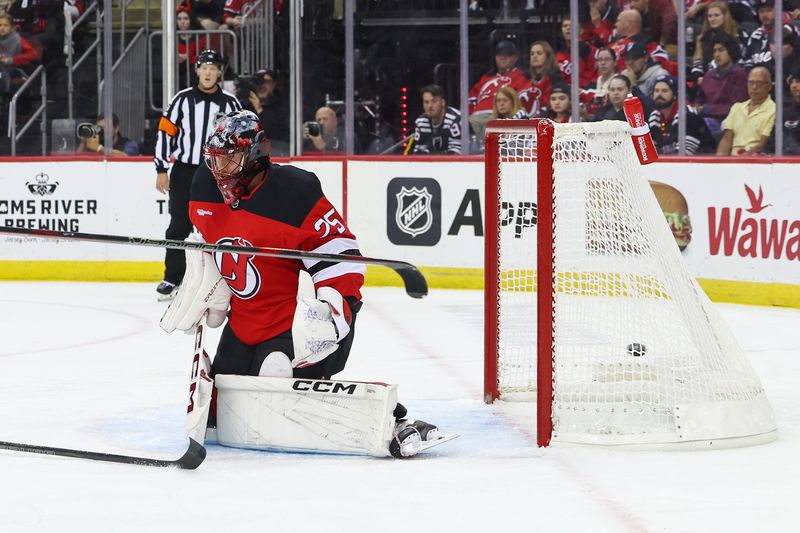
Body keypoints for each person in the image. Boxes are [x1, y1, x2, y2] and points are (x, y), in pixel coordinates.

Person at [175, 109, 441, 457]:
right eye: (215, 160)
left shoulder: (294, 193)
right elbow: (207, 245)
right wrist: (208, 287)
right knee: (225, 403)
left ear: (255, 155)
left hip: (290, 324)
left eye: (231, 159)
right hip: (244, 322)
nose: (220, 170)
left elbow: (339, 254)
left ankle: (392, 417)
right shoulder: (204, 188)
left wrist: (330, 314)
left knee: (275, 377)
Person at [153, 49, 241, 300]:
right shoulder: (181, 99)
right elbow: (165, 133)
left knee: (218, 227)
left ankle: (224, 279)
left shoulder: (231, 103)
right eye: (204, 67)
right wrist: (161, 169)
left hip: (217, 172)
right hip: (184, 170)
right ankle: (172, 278)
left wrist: (235, 172)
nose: (208, 72)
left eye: (213, 68)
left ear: (219, 72)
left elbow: (238, 139)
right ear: (197, 71)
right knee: (178, 225)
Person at [467, 39, 529, 138]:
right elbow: (471, 99)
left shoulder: (522, 76)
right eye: (500, 55)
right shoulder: (486, 78)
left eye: (507, 55)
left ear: (515, 57)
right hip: (477, 116)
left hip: (501, 115)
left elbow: (523, 100)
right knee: (462, 125)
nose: (503, 57)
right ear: (495, 58)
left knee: (490, 127)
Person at [716, 66, 776, 156]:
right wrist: (719, 162)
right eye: (751, 83)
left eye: (759, 83)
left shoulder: (774, 110)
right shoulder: (736, 107)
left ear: (769, 86)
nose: (754, 87)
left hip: (756, 160)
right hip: (733, 160)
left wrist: (741, 161)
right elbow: (726, 140)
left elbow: (762, 144)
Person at [648, 74, 713, 155]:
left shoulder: (689, 115)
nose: (659, 94)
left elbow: (685, 154)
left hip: (703, 164)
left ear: (675, 95)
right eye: (656, 90)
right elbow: (651, 150)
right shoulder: (654, 116)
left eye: (665, 91)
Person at [697, 33, 749, 128]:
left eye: (721, 50)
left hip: (728, 122)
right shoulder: (709, 74)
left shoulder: (739, 75)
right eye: (714, 51)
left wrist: (709, 109)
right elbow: (700, 99)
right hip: (704, 118)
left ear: (731, 51)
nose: (716, 54)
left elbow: (737, 107)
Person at [690, 1, 746, 82]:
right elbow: (698, 61)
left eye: (716, 15)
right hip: (708, 79)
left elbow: (741, 61)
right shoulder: (703, 37)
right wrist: (698, 77)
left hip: (732, 79)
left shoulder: (738, 34)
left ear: (725, 16)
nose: (712, 19)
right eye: (710, 16)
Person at [411, 84, 462, 154]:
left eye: (434, 101)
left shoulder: (455, 119)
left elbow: (458, 153)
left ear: (443, 103)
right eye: (426, 102)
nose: (430, 106)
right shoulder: (420, 122)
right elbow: (418, 151)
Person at [248, 68, 289, 155]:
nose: (262, 85)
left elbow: (277, 135)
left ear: (274, 84)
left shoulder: (282, 106)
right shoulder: (244, 104)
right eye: (259, 81)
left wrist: (259, 109)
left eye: (267, 81)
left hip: (275, 156)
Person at [519, 40, 564, 117]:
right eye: (532, 54)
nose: (534, 56)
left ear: (548, 56)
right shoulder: (524, 78)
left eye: (539, 53)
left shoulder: (555, 79)